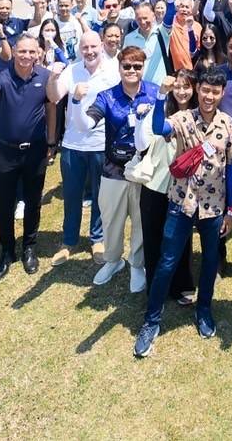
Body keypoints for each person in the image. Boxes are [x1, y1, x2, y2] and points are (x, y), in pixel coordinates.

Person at [134, 68, 232, 357]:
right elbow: (159, 128)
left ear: (222, 93)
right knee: (167, 260)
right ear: (198, 90)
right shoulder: (183, 119)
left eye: (215, 91)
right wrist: (160, 96)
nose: (209, 96)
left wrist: (231, 209)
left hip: (213, 206)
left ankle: (204, 309)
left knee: (209, 261)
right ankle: (151, 320)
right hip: (181, 201)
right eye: (205, 90)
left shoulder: (230, 125)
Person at [0, 34, 61, 277]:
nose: (26, 56)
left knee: (33, 201)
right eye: (22, 51)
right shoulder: (1, 77)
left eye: (32, 52)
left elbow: (53, 102)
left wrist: (51, 140)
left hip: (35, 150)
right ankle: (7, 251)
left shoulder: (44, 76)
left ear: (38, 53)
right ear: (14, 51)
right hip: (6, 151)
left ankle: (29, 247)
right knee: (5, 204)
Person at [86, 43, 154, 291]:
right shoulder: (107, 95)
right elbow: (89, 120)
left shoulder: (154, 93)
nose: (132, 70)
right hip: (113, 170)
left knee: (140, 220)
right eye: (127, 66)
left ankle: (137, 264)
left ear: (144, 67)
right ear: (119, 66)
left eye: (137, 66)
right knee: (111, 219)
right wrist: (77, 102)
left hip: (143, 172)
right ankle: (113, 260)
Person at [52, 30, 120, 265]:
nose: (89, 52)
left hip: (102, 143)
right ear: (79, 49)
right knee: (72, 195)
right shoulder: (71, 70)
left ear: (101, 45)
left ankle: (97, 238)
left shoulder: (113, 71)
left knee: (101, 195)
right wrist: (53, 78)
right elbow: (53, 97)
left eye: (93, 47)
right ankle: (69, 240)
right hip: (72, 144)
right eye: (85, 48)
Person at [134, 70, 197, 306]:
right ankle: (155, 286)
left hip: (184, 188)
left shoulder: (199, 116)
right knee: (153, 237)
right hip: (155, 185)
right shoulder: (158, 110)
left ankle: (181, 285)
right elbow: (141, 143)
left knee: (181, 237)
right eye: (177, 86)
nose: (182, 91)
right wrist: (143, 118)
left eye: (187, 86)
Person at [124, 2, 170, 86]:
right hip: (138, 89)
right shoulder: (129, 38)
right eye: (139, 19)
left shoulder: (163, 33)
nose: (142, 22)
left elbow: (171, 14)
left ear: (153, 16)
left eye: (145, 18)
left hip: (161, 88)